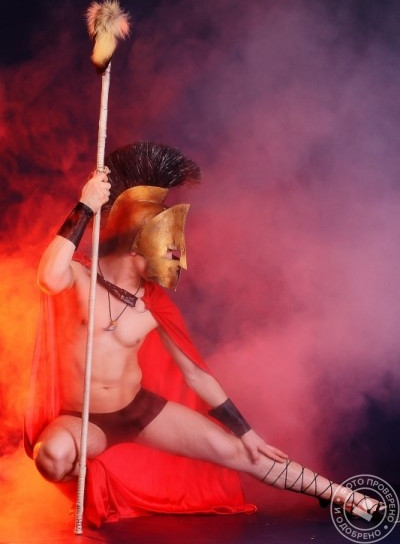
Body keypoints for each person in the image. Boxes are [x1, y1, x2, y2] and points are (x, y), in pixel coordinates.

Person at [24, 141, 382, 525]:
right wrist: (86, 205)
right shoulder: (80, 277)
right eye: (164, 248)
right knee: (54, 456)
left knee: (247, 453)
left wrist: (246, 432)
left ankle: (344, 497)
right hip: (84, 418)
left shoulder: (154, 305)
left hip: (138, 410)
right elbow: (48, 277)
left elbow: (196, 374)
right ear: (135, 246)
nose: (174, 258)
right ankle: (94, 487)